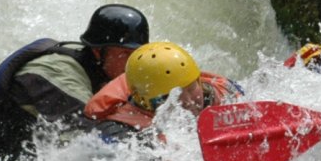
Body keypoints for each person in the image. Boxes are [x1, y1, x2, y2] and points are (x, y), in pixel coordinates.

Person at [0, 4, 149, 161]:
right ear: (97, 50)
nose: (132, 63)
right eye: (125, 54)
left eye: (137, 54)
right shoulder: (56, 73)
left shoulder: (99, 67)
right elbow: (98, 135)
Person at [85, 41, 244, 139]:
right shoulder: (119, 133)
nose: (187, 102)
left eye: (190, 88)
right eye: (169, 97)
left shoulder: (223, 91)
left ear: (198, 80)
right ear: (146, 103)